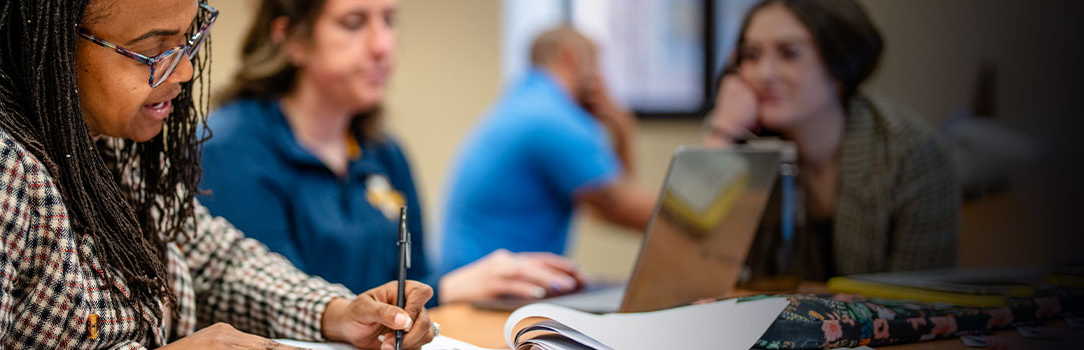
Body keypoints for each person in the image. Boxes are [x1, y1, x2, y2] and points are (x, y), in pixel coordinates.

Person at [0, 0, 437, 348]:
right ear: (47, 43)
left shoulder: (106, 140)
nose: (184, 71)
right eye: (155, 48)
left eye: (191, 35)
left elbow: (211, 257)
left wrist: (333, 312)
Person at [198, 0, 584, 306]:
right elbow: (279, 306)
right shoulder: (232, 148)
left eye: (389, 20)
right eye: (353, 22)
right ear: (293, 39)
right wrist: (447, 291)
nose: (382, 46)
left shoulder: (384, 152)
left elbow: (415, 279)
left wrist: (471, 285)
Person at [705, 0, 958, 280]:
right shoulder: (741, 138)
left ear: (841, 61)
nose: (764, 73)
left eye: (789, 53)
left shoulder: (908, 151)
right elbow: (685, 257)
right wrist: (723, 130)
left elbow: (922, 304)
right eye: (751, 55)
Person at [439, 27, 658, 274]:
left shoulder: (528, 102)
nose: (602, 77)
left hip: (472, 278)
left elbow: (604, 207)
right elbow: (632, 212)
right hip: (494, 293)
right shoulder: (554, 119)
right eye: (596, 64)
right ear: (570, 57)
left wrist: (619, 130)